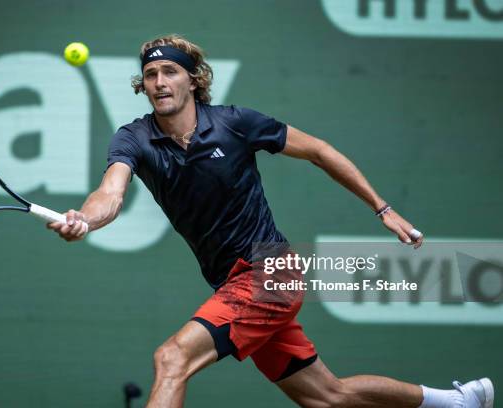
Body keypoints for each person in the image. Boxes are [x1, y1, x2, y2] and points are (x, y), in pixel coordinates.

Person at [47, 34, 494, 408]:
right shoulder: (134, 137)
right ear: (142, 85)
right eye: (150, 74)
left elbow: (319, 151)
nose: (159, 82)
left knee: (172, 359)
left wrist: (383, 208)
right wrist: (84, 219)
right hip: (231, 282)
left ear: (193, 79)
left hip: (269, 271)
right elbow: (110, 192)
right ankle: (455, 402)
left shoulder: (235, 124)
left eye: (170, 72)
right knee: (326, 396)